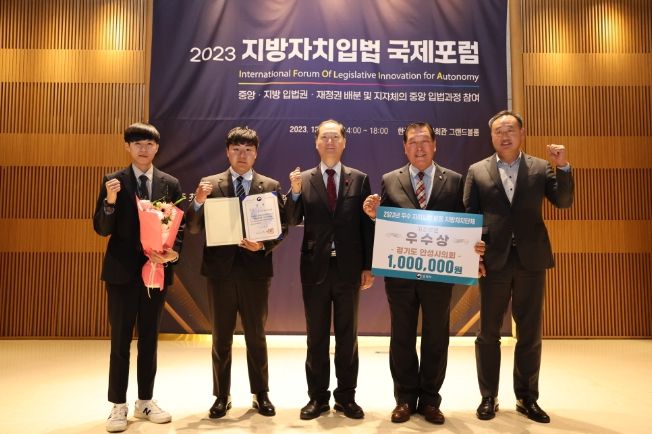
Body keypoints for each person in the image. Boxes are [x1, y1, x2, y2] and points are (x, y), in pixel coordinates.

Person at [363, 121, 484, 425]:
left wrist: (473, 248)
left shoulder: (454, 180)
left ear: (435, 145)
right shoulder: (390, 180)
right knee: (401, 336)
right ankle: (404, 399)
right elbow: (387, 225)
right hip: (401, 275)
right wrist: (375, 216)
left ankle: (430, 400)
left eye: (425, 141)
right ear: (405, 148)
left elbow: (464, 225)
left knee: (436, 337)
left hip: (439, 274)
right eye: (413, 143)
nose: (419, 148)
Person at [464, 110, 574, 424]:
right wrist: (474, 257)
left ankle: (527, 398)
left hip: (531, 260)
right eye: (499, 131)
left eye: (510, 129)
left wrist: (563, 167)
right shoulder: (477, 170)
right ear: (491, 137)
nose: (505, 135)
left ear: (522, 134)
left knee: (529, 332)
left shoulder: (541, 167)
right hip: (493, 262)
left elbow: (563, 201)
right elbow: (470, 216)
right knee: (488, 333)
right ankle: (489, 396)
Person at [186, 126, 287, 419]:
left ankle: (261, 394)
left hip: (255, 272)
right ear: (227, 152)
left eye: (248, 150)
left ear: (256, 154)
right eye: (236, 150)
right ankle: (222, 396)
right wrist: (198, 201)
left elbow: (282, 228)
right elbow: (193, 227)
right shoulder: (209, 185)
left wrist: (263, 244)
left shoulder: (270, 186)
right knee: (221, 337)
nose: (242, 155)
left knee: (256, 335)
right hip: (220, 273)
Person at [93, 122, 183, 432]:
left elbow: (179, 227)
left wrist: (172, 254)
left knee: (149, 340)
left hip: (155, 273)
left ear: (157, 147)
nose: (143, 149)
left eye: (149, 144)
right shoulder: (113, 182)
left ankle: (145, 401)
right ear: (127, 147)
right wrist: (110, 201)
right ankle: (118, 405)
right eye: (137, 144)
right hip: (121, 274)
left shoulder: (170, 184)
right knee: (120, 341)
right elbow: (101, 228)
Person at [286, 119, 374, 420]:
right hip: (315, 269)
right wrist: (294, 193)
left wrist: (367, 266)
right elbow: (292, 219)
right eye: (325, 137)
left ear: (344, 142)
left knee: (348, 337)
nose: (330, 142)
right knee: (317, 336)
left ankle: (346, 397)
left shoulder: (359, 179)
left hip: (348, 268)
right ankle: (318, 398)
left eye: (336, 137)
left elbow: (366, 226)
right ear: (316, 142)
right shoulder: (304, 179)